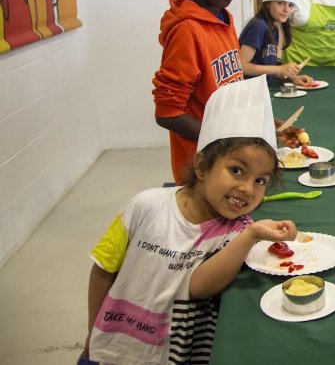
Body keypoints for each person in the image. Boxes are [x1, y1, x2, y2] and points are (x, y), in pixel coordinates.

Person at [81, 75, 299, 364]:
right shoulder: (145, 206)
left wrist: (251, 235)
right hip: (112, 350)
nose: (248, 188)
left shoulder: (237, 231)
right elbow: (103, 270)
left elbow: (199, 286)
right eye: (236, 170)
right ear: (201, 165)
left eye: (260, 180)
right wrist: (92, 332)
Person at [152, 0, 245, 185]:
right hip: (203, 164)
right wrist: (219, 137)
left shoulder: (224, 20)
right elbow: (168, 113)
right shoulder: (187, 30)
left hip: (230, 153)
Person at [238, 0, 313, 86]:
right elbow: (241, 66)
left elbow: (268, 70)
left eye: (290, 5)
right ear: (268, 4)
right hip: (247, 92)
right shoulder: (259, 26)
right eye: (280, 3)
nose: (286, 10)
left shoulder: (276, 27)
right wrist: (279, 69)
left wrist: (291, 78)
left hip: (262, 89)